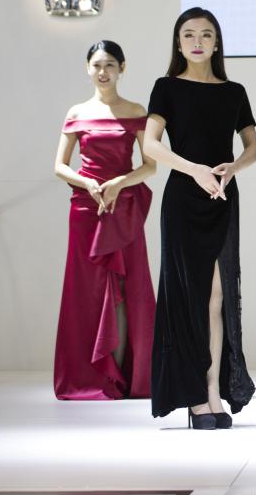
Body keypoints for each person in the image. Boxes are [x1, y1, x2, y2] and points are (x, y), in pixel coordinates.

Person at [143, 8, 256, 429]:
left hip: (222, 196)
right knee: (187, 296)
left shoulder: (234, 92)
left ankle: (211, 391)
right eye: (189, 34)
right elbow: (150, 144)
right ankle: (193, 395)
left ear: (216, 43)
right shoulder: (166, 87)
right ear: (178, 43)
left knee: (216, 297)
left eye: (206, 35)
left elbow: (253, 148)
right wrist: (192, 168)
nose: (197, 41)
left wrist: (234, 167)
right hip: (183, 198)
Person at [52, 40, 156, 400]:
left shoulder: (135, 110)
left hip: (123, 207)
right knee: (88, 292)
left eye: (110, 64)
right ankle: (92, 377)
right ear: (87, 68)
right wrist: (89, 184)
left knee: (130, 289)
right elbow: (59, 166)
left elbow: (150, 166)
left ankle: (129, 375)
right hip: (86, 209)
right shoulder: (77, 112)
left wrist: (118, 183)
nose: (103, 71)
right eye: (97, 65)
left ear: (122, 68)